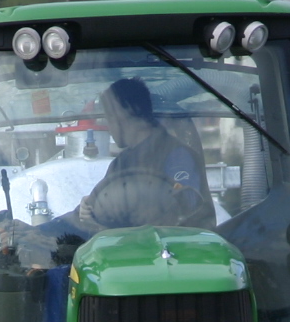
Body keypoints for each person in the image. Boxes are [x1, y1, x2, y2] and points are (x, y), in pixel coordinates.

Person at [71, 78, 216, 232]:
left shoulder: (178, 155)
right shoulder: (120, 163)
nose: (108, 126)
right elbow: (106, 203)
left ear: (124, 113)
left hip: (177, 247)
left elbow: (188, 209)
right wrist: (88, 209)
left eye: (109, 117)